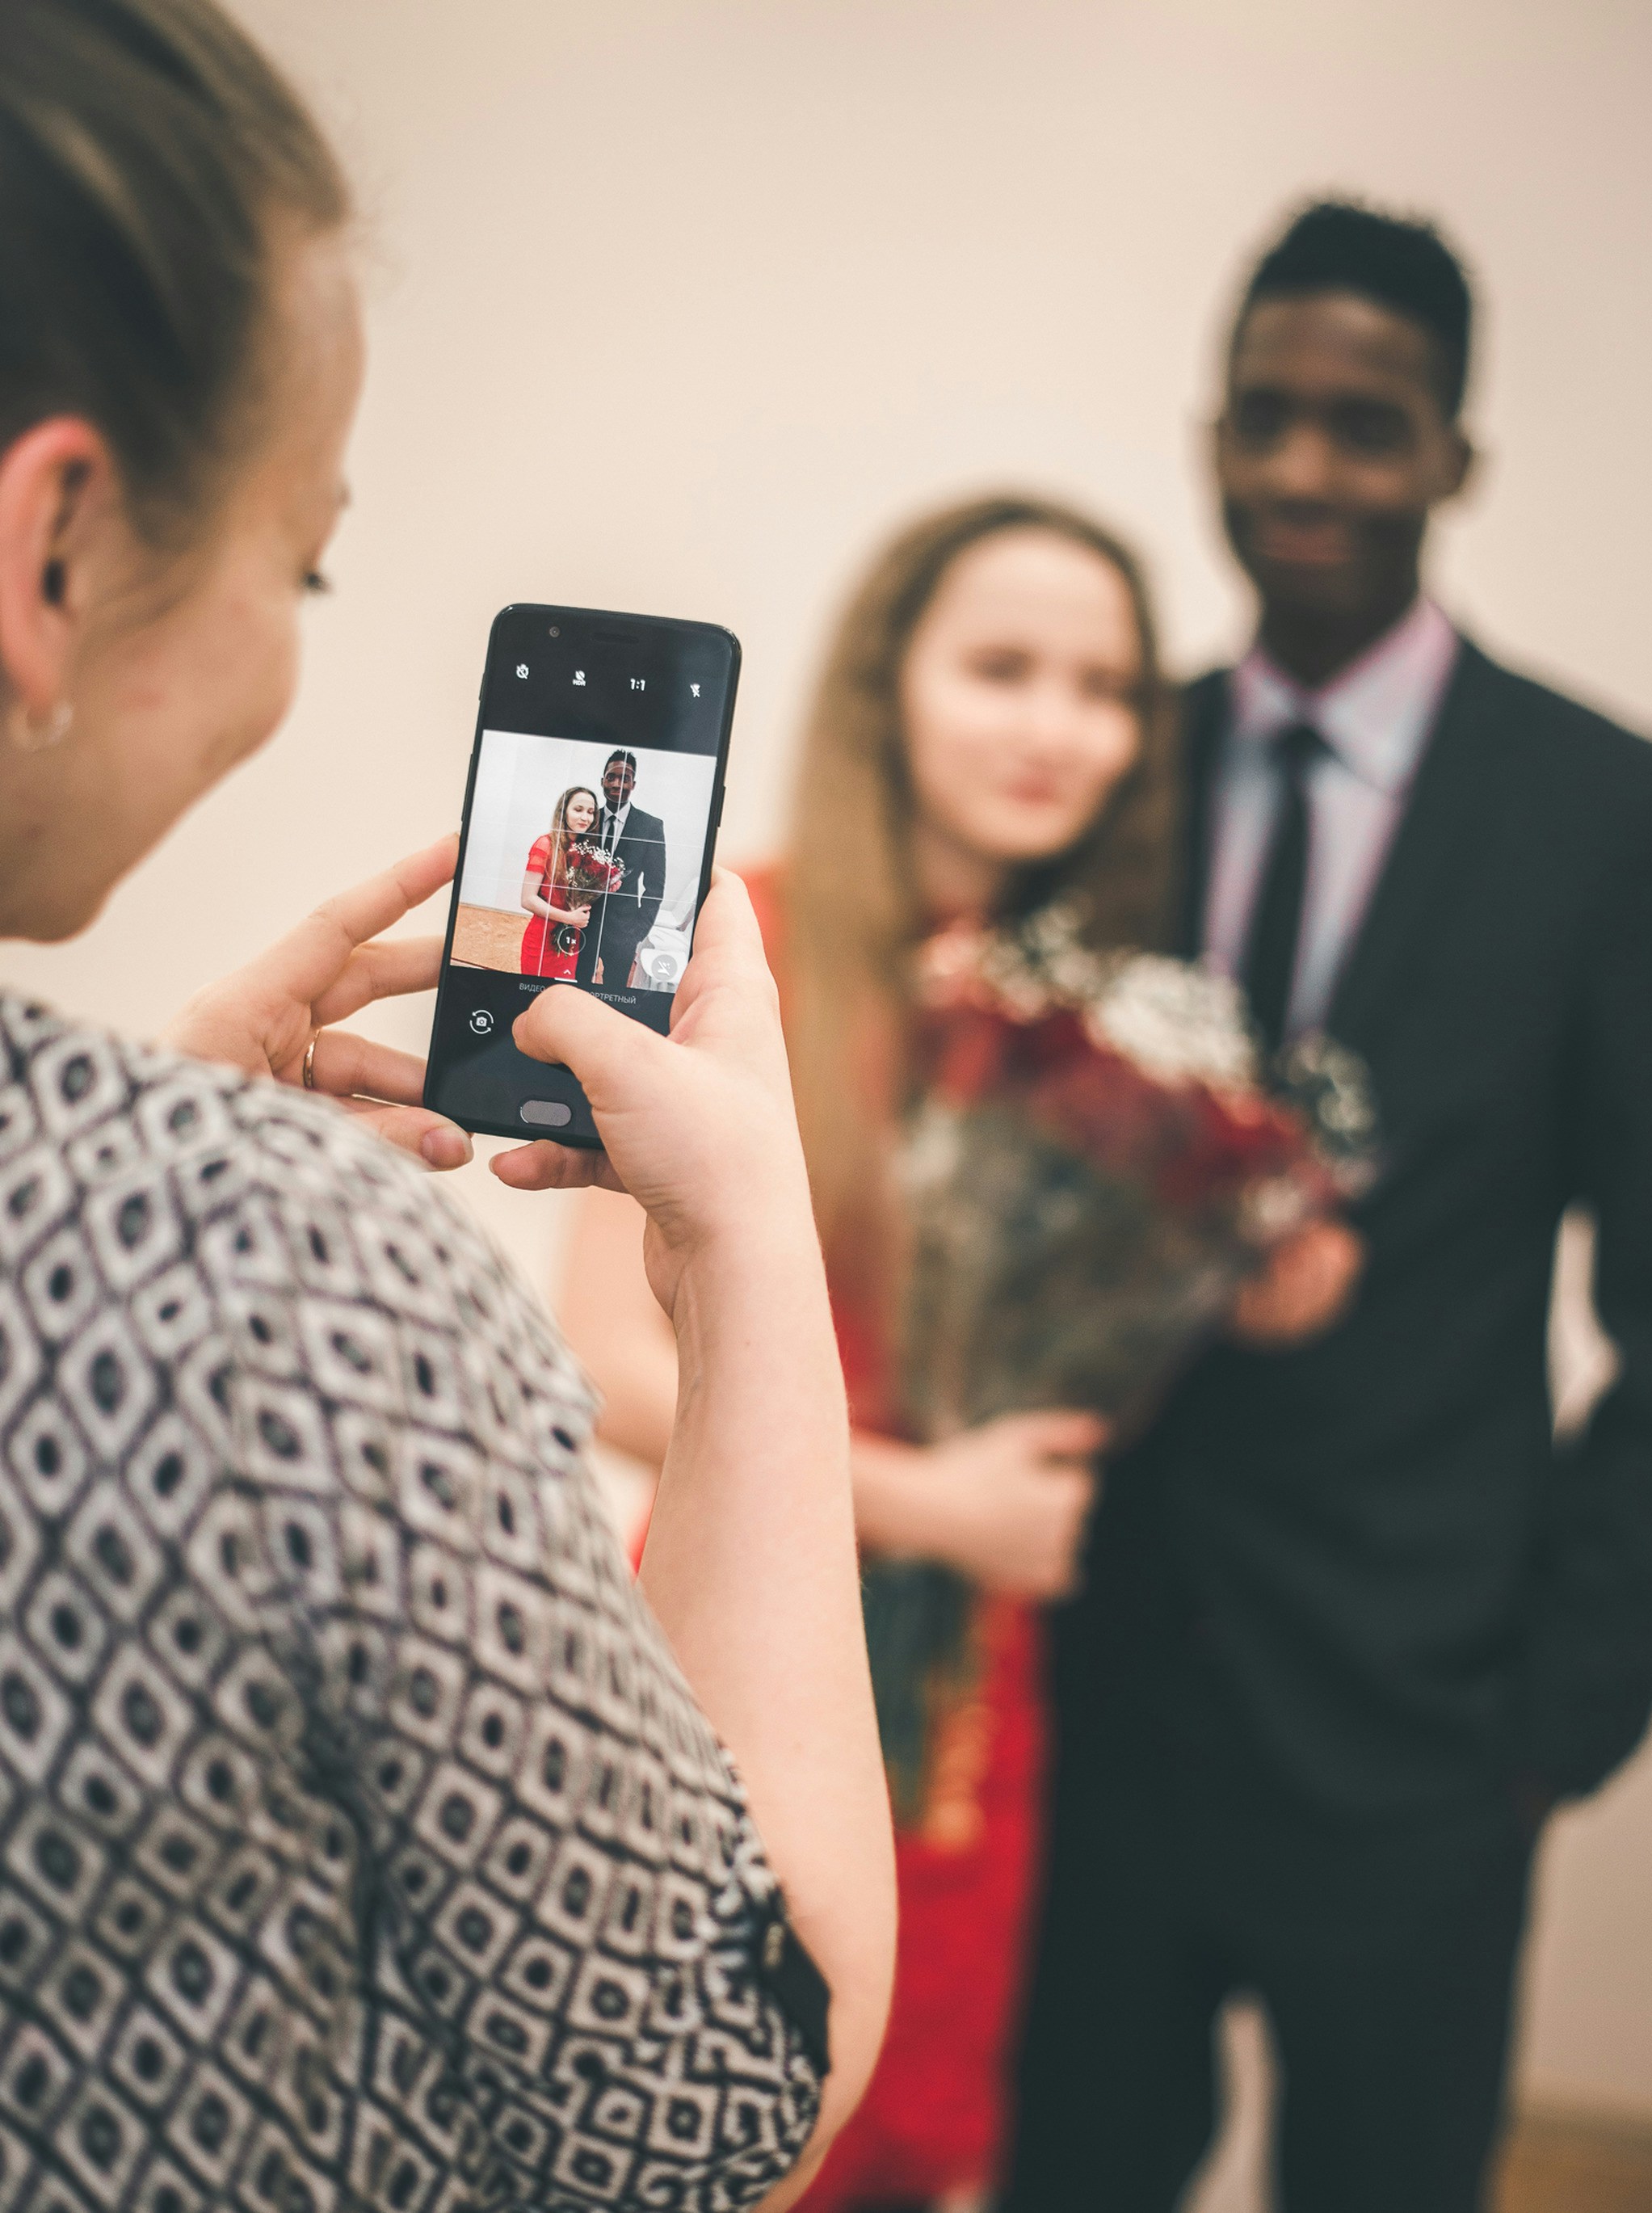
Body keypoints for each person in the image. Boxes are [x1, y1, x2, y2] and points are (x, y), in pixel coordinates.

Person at [0, 6, 895, 2211]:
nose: (296, 636)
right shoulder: (277, 1273)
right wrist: (746, 1261)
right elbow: (702, 2097)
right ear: (53, 542)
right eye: (300, 560)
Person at [1006, 200, 1652, 2213]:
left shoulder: (1623, 819)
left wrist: (1553, 1723)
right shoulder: (1111, 770)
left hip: (1422, 1741)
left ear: (1456, 459)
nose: (1305, 471)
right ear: (1209, 433)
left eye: (1366, 422)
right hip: (1105, 1713)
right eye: (1264, 416)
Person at [551, 495, 1359, 2213]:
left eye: (1104, 688)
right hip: (728, 1631)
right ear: (889, 684)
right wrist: (933, 1506)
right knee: (702, 2119)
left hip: (982, 1706)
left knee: (917, 2136)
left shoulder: (1114, 1034)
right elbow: (604, 1354)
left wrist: (1256, 1256)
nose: (1055, 729)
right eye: (1001, 668)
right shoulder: (723, 947)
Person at [578, 747, 668, 990]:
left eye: (624, 778)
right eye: (611, 777)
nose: (617, 783)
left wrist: (637, 932)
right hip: (583, 924)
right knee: (578, 988)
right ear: (602, 781)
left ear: (633, 784)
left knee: (615, 993)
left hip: (624, 929)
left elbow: (655, 887)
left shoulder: (651, 827)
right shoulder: (588, 822)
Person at [519, 781, 603, 976]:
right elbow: (527, 899)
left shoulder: (585, 852)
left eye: (591, 812)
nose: (585, 817)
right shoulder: (545, 845)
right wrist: (569, 918)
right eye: (578, 809)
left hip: (570, 941)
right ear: (564, 811)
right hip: (542, 940)